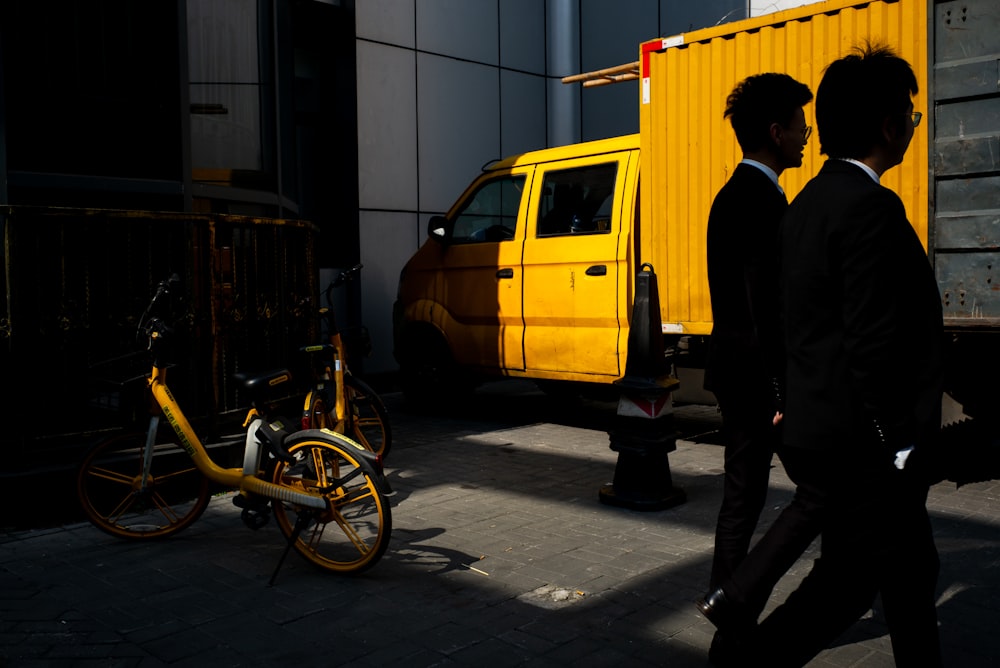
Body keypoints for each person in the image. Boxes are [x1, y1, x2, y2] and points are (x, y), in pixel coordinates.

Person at [744, 43, 944, 666]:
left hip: (825, 432)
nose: (912, 126)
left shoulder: (802, 207)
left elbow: (787, 326)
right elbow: (872, 341)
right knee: (843, 588)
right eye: (909, 116)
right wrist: (899, 439)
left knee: (908, 573)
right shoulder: (871, 209)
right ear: (888, 126)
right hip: (867, 448)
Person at [699, 72, 820, 661]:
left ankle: (729, 611)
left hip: (736, 372)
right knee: (820, 490)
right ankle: (736, 604)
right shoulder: (764, 201)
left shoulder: (730, 196)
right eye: (800, 125)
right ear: (776, 132)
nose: (807, 136)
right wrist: (781, 389)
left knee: (742, 497)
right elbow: (762, 306)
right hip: (763, 382)